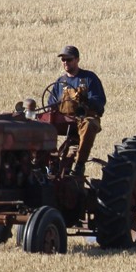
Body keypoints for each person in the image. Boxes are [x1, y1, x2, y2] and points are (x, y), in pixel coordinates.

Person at [47, 45, 106, 176]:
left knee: (89, 125)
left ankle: (79, 165)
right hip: (65, 119)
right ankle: (52, 162)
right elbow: (51, 104)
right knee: (43, 126)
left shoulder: (89, 78)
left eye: (69, 59)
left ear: (77, 60)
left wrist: (85, 102)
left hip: (84, 118)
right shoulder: (60, 82)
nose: (65, 63)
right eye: (63, 60)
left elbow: (100, 101)